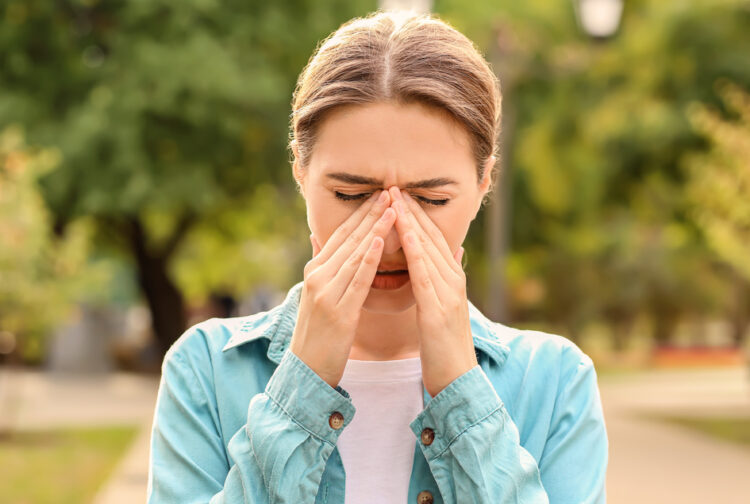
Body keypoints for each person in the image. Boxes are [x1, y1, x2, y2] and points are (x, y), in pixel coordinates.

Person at [147, 10, 608, 504]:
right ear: (300, 172)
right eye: (350, 195)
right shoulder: (207, 371)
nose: (390, 236)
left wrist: (460, 386)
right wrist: (301, 389)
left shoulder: (555, 381)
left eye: (430, 201)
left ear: (482, 184)